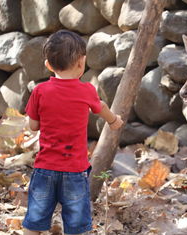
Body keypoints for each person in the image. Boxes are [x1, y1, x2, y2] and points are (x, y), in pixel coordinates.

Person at [22, 30, 123, 235]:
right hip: (74, 171)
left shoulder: (40, 91)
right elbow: (101, 106)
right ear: (81, 62)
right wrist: (114, 121)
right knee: (76, 226)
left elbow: (33, 126)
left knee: (34, 221)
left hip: (45, 169)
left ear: (48, 65)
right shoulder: (86, 91)